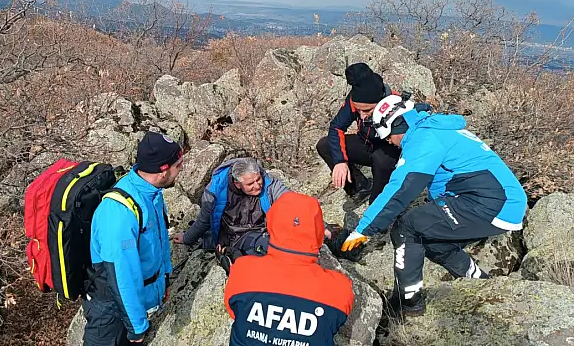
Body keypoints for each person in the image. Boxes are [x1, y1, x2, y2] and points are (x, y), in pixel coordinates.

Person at [340, 94, 528, 319]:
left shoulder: (425, 140)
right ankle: (479, 282)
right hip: (499, 201)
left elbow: (400, 190)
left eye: (388, 136)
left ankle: (408, 302)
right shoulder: (432, 128)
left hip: (491, 203)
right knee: (432, 240)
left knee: (406, 228)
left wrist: (364, 230)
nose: (389, 142)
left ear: (397, 126)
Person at [84, 131, 183, 345]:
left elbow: (160, 239)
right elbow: (121, 274)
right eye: (178, 165)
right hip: (111, 311)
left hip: (135, 302)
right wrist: (137, 326)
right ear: (163, 170)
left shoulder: (152, 193)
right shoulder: (119, 211)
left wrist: (165, 278)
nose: (181, 169)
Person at [224, 191, 354, 346]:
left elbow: (234, 312)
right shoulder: (340, 288)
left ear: (270, 225)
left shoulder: (242, 271)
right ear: (319, 232)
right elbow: (333, 324)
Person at [316, 62, 430, 207]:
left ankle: (377, 202)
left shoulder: (397, 105)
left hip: (389, 148)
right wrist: (340, 161)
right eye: (358, 111)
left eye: (367, 111)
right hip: (365, 142)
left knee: (381, 160)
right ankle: (360, 187)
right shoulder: (356, 98)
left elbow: (413, 142)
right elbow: (336, 127)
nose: (362, 116)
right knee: (325, 145)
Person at [172, 158, 290, 270]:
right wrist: (187, 238)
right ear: (237, 184)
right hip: (235, 236)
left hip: (265, 230)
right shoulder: (215, 191)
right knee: (268, 251)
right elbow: (204, 221)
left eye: (258, 179)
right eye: (250, 184)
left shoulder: (269, 183)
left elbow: (290, 201)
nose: (257, 185)